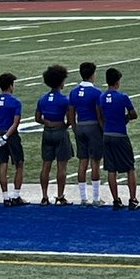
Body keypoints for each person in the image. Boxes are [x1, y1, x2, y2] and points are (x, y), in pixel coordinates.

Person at [98, 67, 140, 211]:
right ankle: (133, 199)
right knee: (130, 167)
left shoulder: (102, 97)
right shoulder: (122, 97)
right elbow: (134, 114)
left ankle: (116, 200)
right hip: (120, 134)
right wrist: (125, 118)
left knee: (111, 168)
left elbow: (100, 116)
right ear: (117, 81)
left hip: (107, 134)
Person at [35, 65, 73, 205]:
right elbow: (69, 120)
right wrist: (61, 124)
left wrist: (47, 123)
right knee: (62, 166)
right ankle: (60, 196)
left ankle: (44, 196)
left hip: (47, 132)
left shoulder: (43, 99)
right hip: (60, 132)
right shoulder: (65, 100)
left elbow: (37, 118)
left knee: (46, 165)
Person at [69, 62, 104, 206]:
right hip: (93, 126)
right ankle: (96, 198)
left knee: (82, 161)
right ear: (92, 74)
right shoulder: (96, 93)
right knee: (95, 162)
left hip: (81, 126)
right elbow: (99, 114)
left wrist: (76, 129)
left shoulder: (74, 92)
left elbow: (71, 115)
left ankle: (83, 198)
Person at [0, 72, 25, 206]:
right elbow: (15, 123)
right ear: (10, 86)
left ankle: (5, 197)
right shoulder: (15, 102)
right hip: (11, 136)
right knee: (19, 164)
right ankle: (16, 196)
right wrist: (6, 137)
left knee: (2, 165)